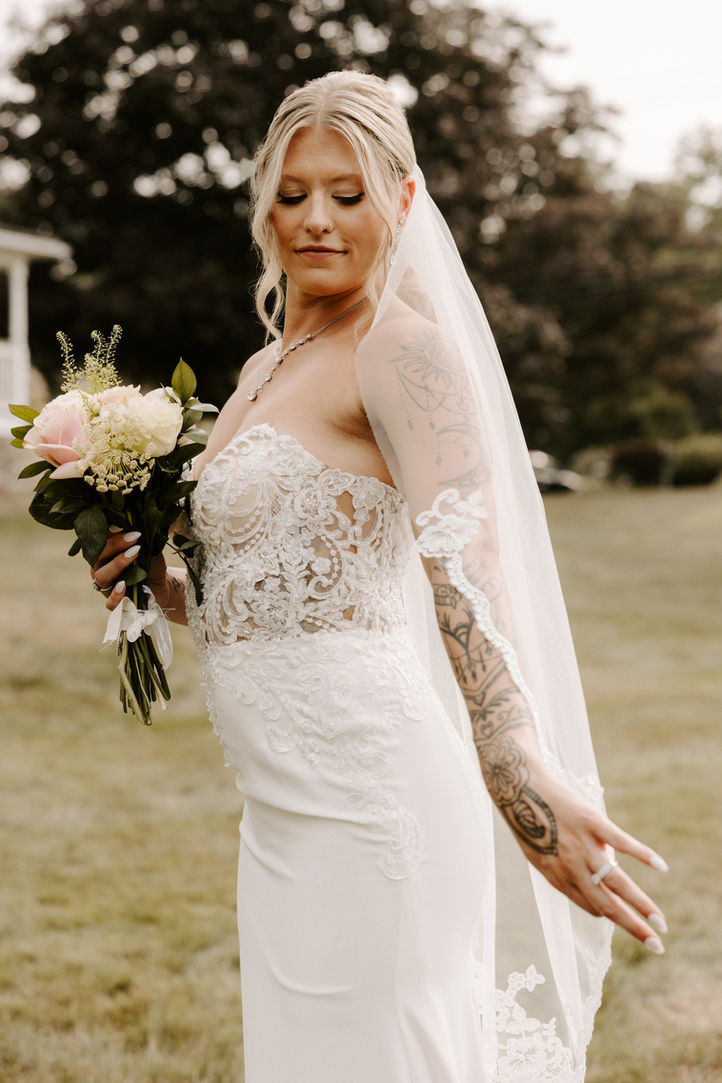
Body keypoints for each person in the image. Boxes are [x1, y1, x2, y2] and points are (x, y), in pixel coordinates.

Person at [91, 71, 668, 1083]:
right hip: (279, 812)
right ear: (266, 206)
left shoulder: (401, 351)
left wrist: (518, 773)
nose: (316, 218)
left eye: (347, 194)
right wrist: (154, 585)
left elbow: (468, 574)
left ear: (400, 200)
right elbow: (261, 597)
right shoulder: (261, 371)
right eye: (293, 193)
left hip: (375, 808)